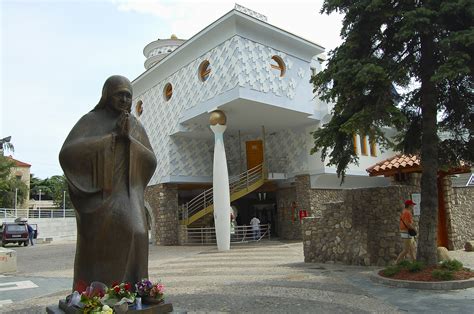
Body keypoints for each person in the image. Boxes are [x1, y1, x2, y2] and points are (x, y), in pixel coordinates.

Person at [59, 75, 157, 291]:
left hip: (129, 191)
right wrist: (113, 138)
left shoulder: (134, 125)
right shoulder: (90, 120)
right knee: (115, 236)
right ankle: (99, 293)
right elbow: (68, 154)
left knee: (139, 232)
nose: (124, 100)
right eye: (119, 94)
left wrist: (129, 140)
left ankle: (135, 290)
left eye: (128, 96)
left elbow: (151, 159)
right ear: (106, 95)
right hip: (101, 196)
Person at [395, 199, 417, 264]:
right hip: (407, 232)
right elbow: (408, 224)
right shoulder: (408, 213)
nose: (413, 206)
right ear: (409, 205)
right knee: (406, 250)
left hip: (404, 232)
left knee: (412, 248)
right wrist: (414, 229)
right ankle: (396, 262)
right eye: (412, 204)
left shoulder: (404, 211)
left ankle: (414, 262)